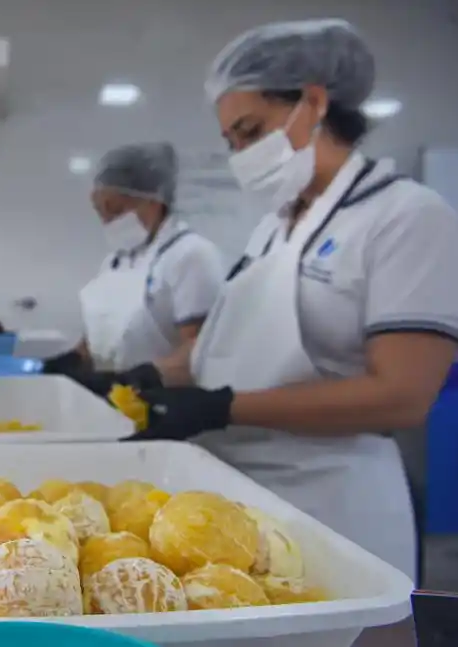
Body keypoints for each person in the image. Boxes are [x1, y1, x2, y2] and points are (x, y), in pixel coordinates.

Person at [122, 18, 458, 624]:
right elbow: (216, 350)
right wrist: (146, 376)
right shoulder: (275, 226)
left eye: (250, 131)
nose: (241, 155)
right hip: (240, 494)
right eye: (231, 141)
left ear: (313, 102)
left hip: (337, 501)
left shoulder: (405, 216)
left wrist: (224, 406)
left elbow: (403, 396)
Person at [43, 143, 224, 395]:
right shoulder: (115, 262)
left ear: (155, 200)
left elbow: (201, 347)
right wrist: (73, 360)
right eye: (100, 211)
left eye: (116, 209)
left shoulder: (189, 255)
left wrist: (142, 379)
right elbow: (101, 335)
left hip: (167, 406)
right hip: (117, 404)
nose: (107, 220)